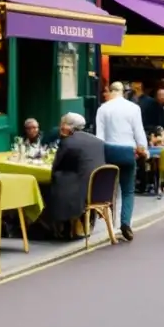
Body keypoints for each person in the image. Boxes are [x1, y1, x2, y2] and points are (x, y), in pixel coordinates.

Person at [95, 81, 147, 241]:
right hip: (127, 152)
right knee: (128, 191)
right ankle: (125, 223)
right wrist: (142, 149)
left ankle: (110, 225)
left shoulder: (103, 108)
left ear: (110, 92)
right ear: (124, 92)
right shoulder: (133, 108)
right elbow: (139, 131)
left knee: (110, 190)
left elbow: (100, 136)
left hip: (109, 151)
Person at [49, 113, 106, 239]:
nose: (60, 127)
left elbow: (56, 167)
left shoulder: (68, 142)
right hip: (100, 189)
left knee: (54, 181)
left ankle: (58, 225)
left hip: (80, 192)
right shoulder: (98, 141)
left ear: (67, 127)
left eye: (62, 124)